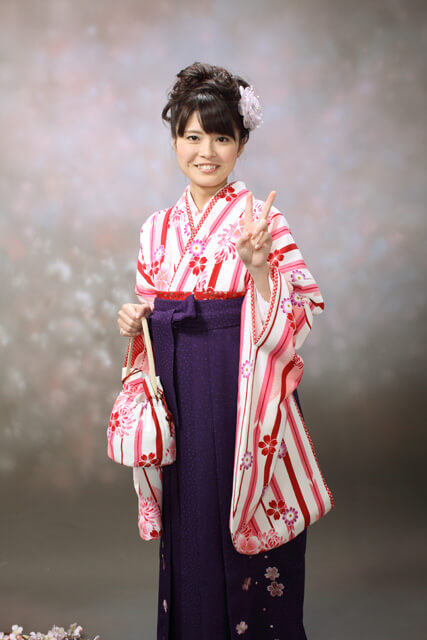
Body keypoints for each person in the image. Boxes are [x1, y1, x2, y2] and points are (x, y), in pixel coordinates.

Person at [117, 62, 334, 640]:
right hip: (179, 387)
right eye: (192, 136)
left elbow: (303, 307)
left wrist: (260, 268)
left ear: (241, 144)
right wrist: (135, 320)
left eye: (221, 137)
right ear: (174, 141)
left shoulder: (262, 219)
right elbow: (149, 305)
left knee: (243, 511)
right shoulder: (156, 227)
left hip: (241, 388)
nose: (205, 151)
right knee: (189, 519)